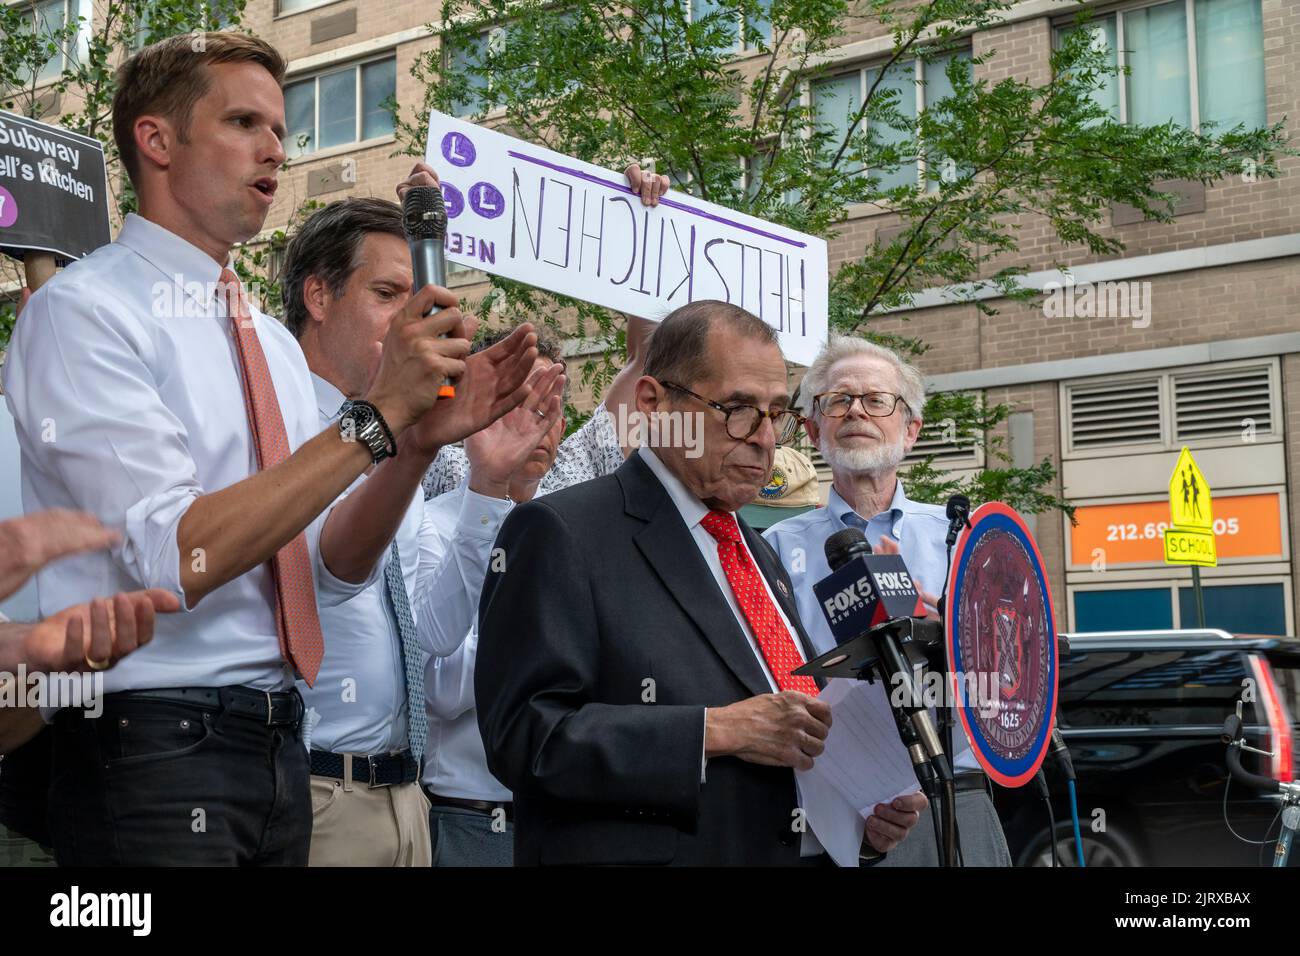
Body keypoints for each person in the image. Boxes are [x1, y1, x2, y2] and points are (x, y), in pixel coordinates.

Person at [1, 33, 538, 865]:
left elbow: (324, 573)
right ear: (157, 141)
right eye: (244, 122)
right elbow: (173, 554)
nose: (275, 149)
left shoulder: (271, 343)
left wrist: (411, 447)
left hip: (280, 743)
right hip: (153, 749)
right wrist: (376, 420)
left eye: (281, 130)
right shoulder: (85, 312)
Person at [475, 301, 928, 865]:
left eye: (777, 413)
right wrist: (715, 730)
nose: (765, 438)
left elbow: (790, 735)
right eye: (737, 409)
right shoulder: (561, 531)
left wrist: (856, 819)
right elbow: (523, 738)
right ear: (653, 404)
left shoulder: (756, 551)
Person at [281, 193, 564, 866]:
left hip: (406, 799)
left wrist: (486, 485)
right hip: (314, 790)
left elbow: (430, 636)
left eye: (423, 300)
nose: (416, 321)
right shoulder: (278, 421)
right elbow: (331, 575)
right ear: (318, 296)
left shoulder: (400, 443)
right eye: (388, 294)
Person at [762, 335, 1013, 866]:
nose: (857, 410)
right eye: (838, 400)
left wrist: (948, 634)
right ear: (812, 429)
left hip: (954, 800)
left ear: (911, 430)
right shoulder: (772, 551)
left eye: (876, 400)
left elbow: (1010, 677)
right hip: (829, 810)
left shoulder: (964, 542)